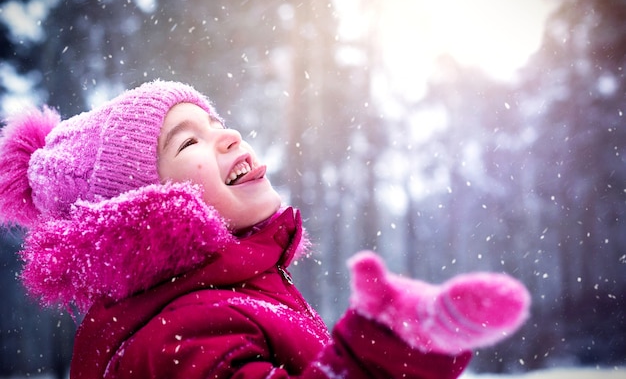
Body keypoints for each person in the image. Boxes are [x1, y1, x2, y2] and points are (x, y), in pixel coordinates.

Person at [0, 80, 530, 379]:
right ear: (140, 208)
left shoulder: (222, 297)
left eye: (216, 123)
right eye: (187, 143)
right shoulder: (179, 335)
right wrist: (385, 345)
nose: (227, 135)